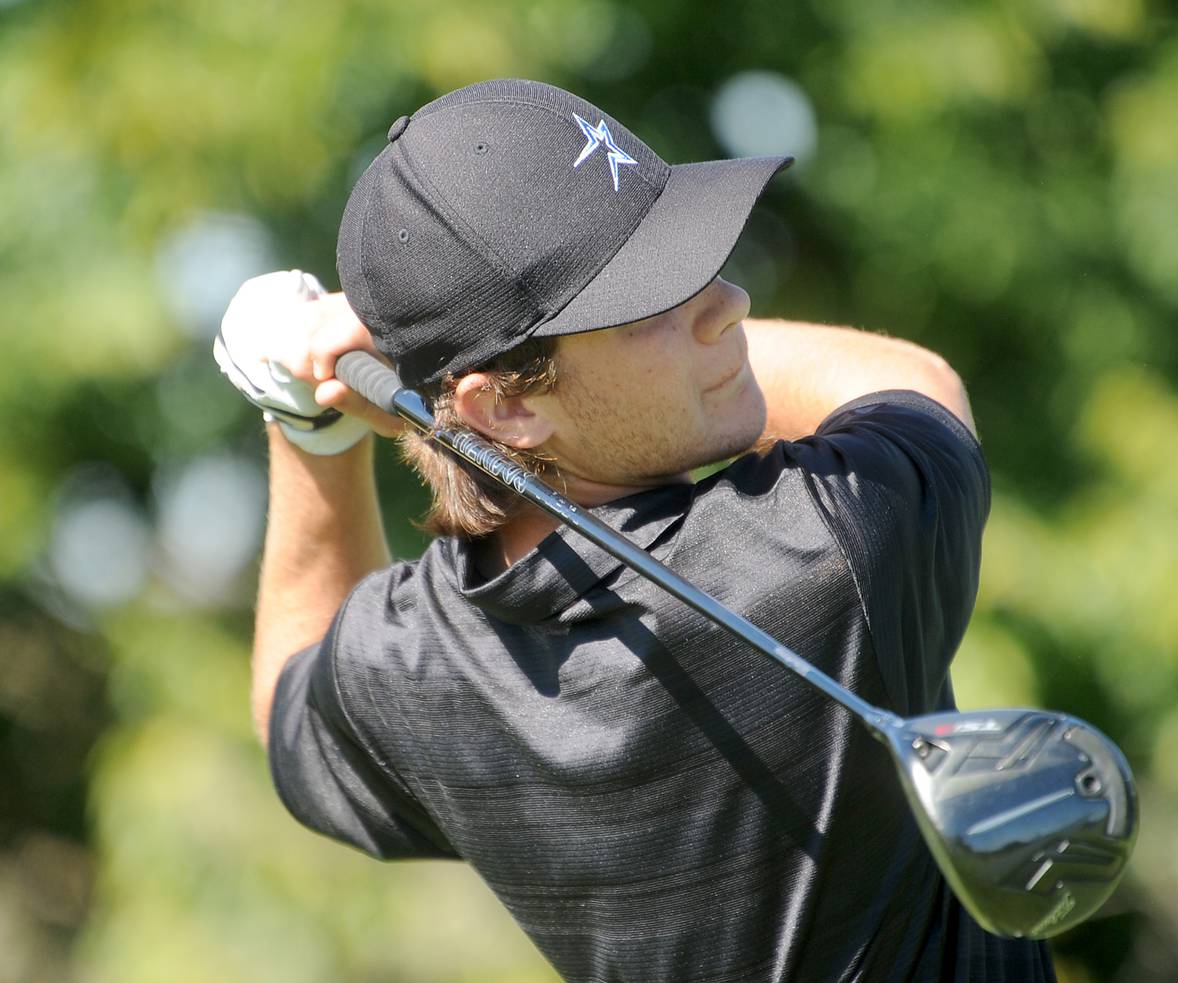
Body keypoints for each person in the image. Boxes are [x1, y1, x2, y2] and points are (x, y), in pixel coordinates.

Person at [216, 78, 1057, 982]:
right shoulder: (823, 556)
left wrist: (309, 424)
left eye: (694, 257)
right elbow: (909, 376)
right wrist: (427, 397)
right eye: (653, 299)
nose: (728, 303)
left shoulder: (411, 666)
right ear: (506, 405)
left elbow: (288, 704)